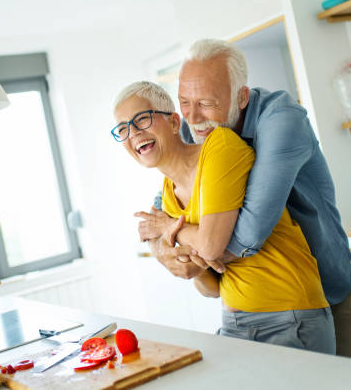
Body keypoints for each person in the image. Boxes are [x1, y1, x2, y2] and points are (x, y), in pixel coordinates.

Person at [137, 39, 351, 360]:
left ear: (241, 96)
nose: (193, 116)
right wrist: (165, 252)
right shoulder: (198, 129)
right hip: (254, 304)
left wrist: (197, 248)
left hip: (324, 285)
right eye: (184, 102)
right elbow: (160, 212)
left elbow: (248, 234)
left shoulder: (283, 120)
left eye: (206, 102)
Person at [112, 81, 335, 354]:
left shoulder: (219, 147)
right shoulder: (168, 197)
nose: (133, 133)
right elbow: (210, 288)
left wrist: (172, 229)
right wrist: (192, 262)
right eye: (123, 129)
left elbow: (210, 247)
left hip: (289, 315)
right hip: (235, 320)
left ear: (173, 122)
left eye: (142, 120)